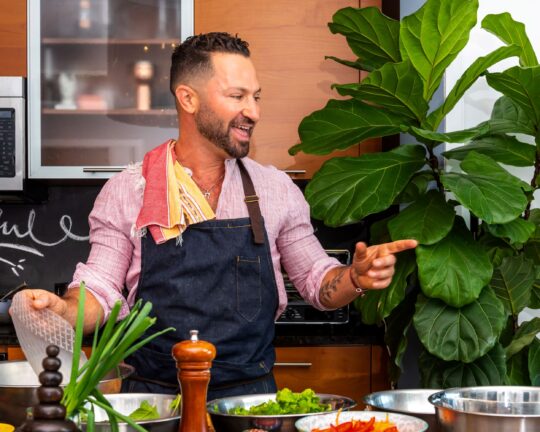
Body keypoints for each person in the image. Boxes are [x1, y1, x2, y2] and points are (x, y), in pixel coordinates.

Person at [20, 32, 417, 400]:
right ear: (188, 99)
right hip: (157, 403)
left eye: (256, 97)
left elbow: (318, 282)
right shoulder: (128, 191)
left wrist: (354, 279)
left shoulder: (275, 190)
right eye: (237, 96)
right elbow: (100, 291)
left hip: (249, 402)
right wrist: (63, 311)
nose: (253, 111)